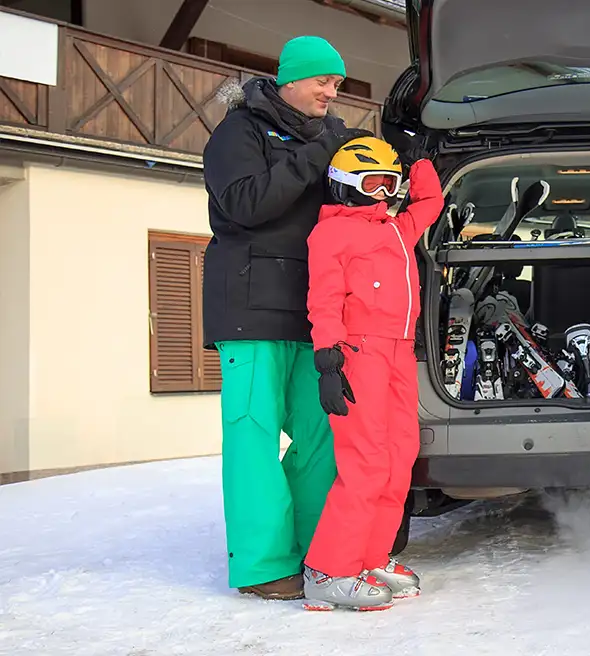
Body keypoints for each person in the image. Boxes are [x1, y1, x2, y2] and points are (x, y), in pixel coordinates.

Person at [202, 35, 369, 600]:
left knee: (320, 435)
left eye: (337, 83)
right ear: (291, 79)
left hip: (312, 310)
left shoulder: (329, 137)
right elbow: (245, 203)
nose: (331, 91)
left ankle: (319, 551)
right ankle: (263, 565)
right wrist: (318, 153)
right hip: (248, 308)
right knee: (252, 438)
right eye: (323, 80)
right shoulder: (239, 131)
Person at [301, 135, 444, 611]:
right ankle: (328, 569)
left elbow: (431, 201)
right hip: (356, 351)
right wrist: (327, 359)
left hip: (400, 353)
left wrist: (420, 157)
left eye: (391, 183)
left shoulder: (397, 229)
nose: (384, 194)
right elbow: (323, 299)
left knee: (398, 454)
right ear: (346, 184)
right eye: (374, 183)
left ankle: (370, 556)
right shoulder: (331, 234)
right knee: (363, 461)